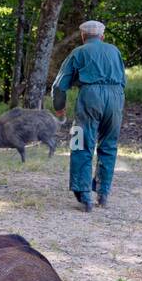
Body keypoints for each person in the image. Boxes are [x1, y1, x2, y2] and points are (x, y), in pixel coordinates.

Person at [52, 19, 126, 212]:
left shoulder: (79, 52)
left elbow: (59, 85)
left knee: (80, 141)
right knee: (109, 145)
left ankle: (84, 194)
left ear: (83, 36)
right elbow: (123, 80)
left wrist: (59, 108)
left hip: (90, 97)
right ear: (102, 36)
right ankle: (103, 193)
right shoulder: (114, 51)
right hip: (116, 97)